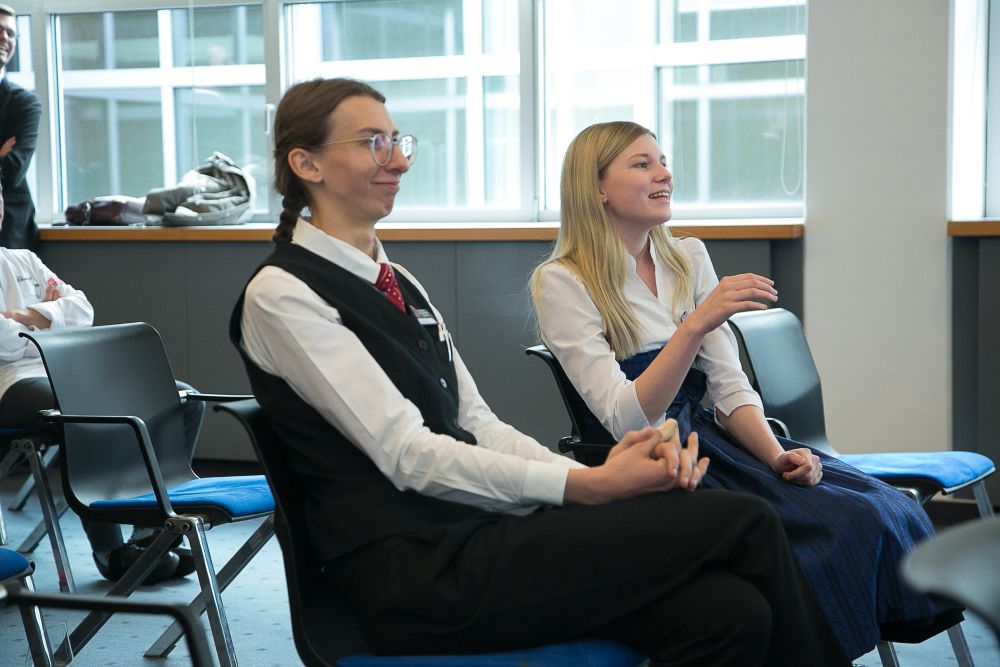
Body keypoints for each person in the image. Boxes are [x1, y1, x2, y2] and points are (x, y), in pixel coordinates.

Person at [229, 77, 851, 666]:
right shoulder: (284, 294)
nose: (398, 160)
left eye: (398, 141)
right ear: (307, 164)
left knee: (729, 613)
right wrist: (586, 488)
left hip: (476, 533)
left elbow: (479, 424)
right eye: (374, 143)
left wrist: (597, 476)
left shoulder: (401, 282)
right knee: (745, 520)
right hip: (415, 572)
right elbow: (409, 456)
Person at [530, 120, 961, 660]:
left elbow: (730, 389)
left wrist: (778, 456)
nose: (664, 174)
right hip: (652, 460)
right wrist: (694, 325)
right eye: (642, 164)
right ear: (596, 188)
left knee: (880, 510)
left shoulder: (687, 256)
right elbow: (628, 420)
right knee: (822, 537)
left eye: (662, 161)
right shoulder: (563, 280)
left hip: (715, 443)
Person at [0, 184, 203, 584]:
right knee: (88, 403)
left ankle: (152, 533)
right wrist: (48, 314)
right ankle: (110, 552)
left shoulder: (22, 259)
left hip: (69, 367)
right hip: (12, 383)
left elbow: (83, 310)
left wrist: (22, 317)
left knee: (183, 397)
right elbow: (6, 344)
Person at [0, 4, 40, 249]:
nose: (4, 37)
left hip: (8, 232)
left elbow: (13, 170)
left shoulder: (25, 103)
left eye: (11, 33)